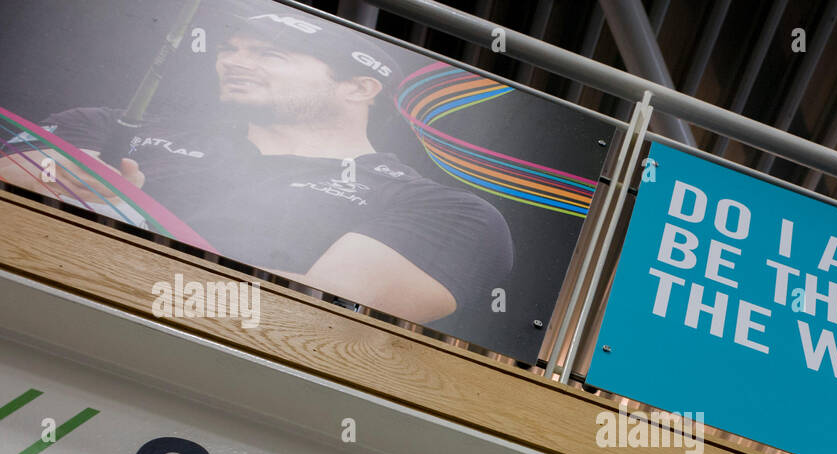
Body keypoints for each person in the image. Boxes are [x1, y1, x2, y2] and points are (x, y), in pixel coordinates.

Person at [0, 9, 513, 326]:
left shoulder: (445, 209)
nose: (235, 62)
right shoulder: (109, 127)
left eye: (270, 55)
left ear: (359, 87)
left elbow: (311, 320)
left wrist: (120, 226)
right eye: (232, 49)